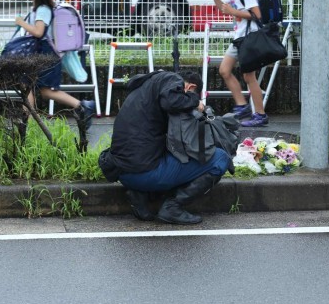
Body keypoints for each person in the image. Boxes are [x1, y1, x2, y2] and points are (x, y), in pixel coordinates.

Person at [99, 70, 232, 225]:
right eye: (191, 94)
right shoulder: (172, 80)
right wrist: (195, 102)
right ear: (190, 87)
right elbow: (172, 101)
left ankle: (141, 194)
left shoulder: (147, 86)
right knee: (220, 158)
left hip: (122, 173)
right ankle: (172, 207)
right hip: (144, 173)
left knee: (164, 154)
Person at [14, 0, 96, 128]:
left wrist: (21, 23)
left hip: (47, 55)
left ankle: (82, 106)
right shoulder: (39, 9)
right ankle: (28, 122)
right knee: (26, 86)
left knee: (46, 91)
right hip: (40, 54)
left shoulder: (43, 9)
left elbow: (39, 32)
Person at [204, 0, 269, 127]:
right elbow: (224, 9)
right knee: (224, 70)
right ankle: (242, 105)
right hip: (239, 38)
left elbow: (256, 14)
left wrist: (234, 12)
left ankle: (260, 114)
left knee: (249, 76)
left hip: (248, 37)